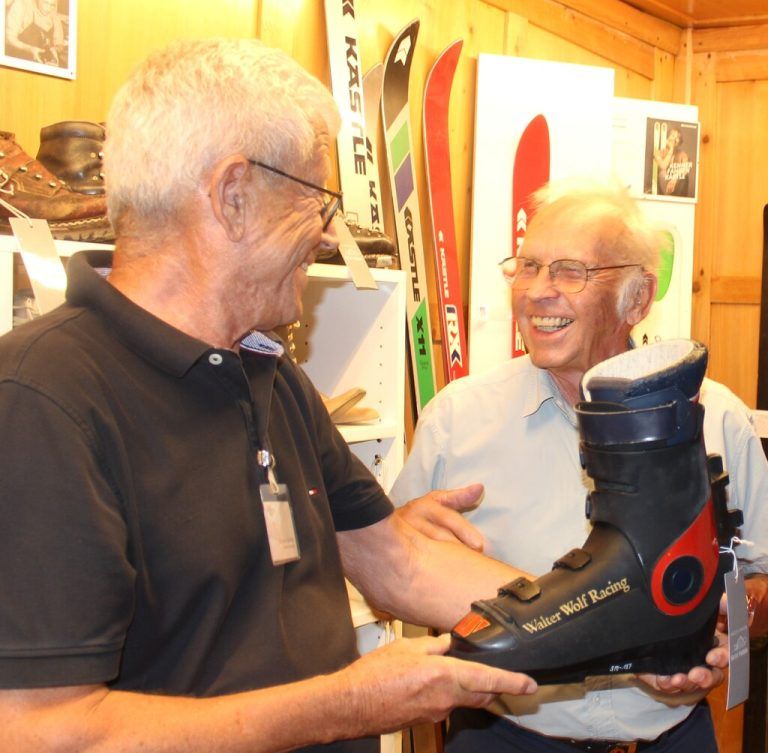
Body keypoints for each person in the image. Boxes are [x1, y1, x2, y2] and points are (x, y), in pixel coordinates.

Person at [0, 38, 544, 752]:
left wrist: (615, 623)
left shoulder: (268, 373)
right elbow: (42, 730)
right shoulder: (43, 400)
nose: (326, 236)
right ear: (232, 197)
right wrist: (344, 704)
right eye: (320, 203)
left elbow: (399, 560)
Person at [391, 183, 768, 752]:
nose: (538, 293)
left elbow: (762, 580)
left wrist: (716, 620)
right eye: (527, 266)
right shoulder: (456, 420)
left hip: (671, 737)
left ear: (636, 299)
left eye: (569, 272)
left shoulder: (717, 418)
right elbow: (388, 573)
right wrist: (407, 546)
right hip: (505, 738)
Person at [4, 0, 66, 66]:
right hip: (19, 61)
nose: (48, 8)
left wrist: (55, 50)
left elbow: (59, 44)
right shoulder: (21, 5)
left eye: (52, 5)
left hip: (43, 63)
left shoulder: (54, 14)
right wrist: (29, 49)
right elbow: (8, 38)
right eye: (45, 2)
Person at [653, 126, 693, 197]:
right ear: (667, 137)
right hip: (661, 187)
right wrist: (671, 150)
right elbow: (663, 166)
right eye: (673, 135)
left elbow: (686, 168)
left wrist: (674, 179)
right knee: (662, 173)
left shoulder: (682, 154)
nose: (675, 139)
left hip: (677, 187)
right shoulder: (658, 152)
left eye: (678, 137)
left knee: (684, 177)